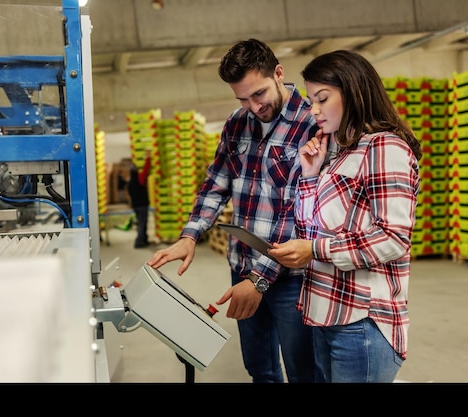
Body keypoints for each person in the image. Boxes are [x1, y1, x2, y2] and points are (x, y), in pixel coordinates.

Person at [147, 38, 321, 383]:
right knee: (260, 369)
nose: (254, 106)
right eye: (242, 98)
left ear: (279, 73)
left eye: (258, 94)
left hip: (291, 278)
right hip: (242, 268)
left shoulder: (311, 124)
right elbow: (217, 183)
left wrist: (259, 279)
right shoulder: (237, 122)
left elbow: (302, 214)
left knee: (304, 372)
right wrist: (190, 235)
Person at [267, 50, 423, 383]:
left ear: (352, 91)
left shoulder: (384, 148)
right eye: (311, 101)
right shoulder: (342, 153)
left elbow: (393, 238)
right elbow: (313, 227)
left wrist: (315, 251)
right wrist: (310, 176)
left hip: (362, 321)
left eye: (323, 98)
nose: (315, 111)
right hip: (327, 314)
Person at [127, 150, 151, 248]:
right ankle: (139, 242)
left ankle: (144, 240)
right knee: (142, 223)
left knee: (142, 222)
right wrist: (148, 157)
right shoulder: (140, 179)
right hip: (142, 205)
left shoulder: (129, 183)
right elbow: (146, 170)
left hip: (135, 206)